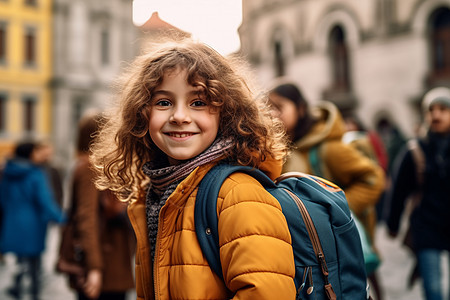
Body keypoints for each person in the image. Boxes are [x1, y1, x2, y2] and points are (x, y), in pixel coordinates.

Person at [90, 39, 296, 299]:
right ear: (141, 113)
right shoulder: (155, 193)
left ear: (227, 112)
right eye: (163, 102)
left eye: (198, 103)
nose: (179, 116)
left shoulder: (238, 194)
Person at [269, 82, 385, 299]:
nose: (273, 114)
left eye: (279, 106)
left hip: (337, 240)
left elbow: (373, 178)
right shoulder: (277, 149)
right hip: (306, 246)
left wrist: (337, 209)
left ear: (300, 108)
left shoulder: (328, 148)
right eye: (268, 107)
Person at [57, 112, 136, 300]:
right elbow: (86, 218)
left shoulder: (99, 165)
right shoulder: (89, 168)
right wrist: (94, 268)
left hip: (110, 261)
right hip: (104, 263)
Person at [386, 86, 450, 300]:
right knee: (433, 289)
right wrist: (392, 223)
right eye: (432, 110)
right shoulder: (415, 150)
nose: (436, 114)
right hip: (426, 225)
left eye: (443, 109)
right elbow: (399, 190)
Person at [0, 141, 66, 300]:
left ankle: (17, 288)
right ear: (30, 154)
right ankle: (34, 294)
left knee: (19, 260)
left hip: (13, 223)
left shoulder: (7, 172)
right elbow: (45, 201)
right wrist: (61, 219)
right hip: (33, 225)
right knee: (34, 263)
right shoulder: (36, 173)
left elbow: (2, 199)